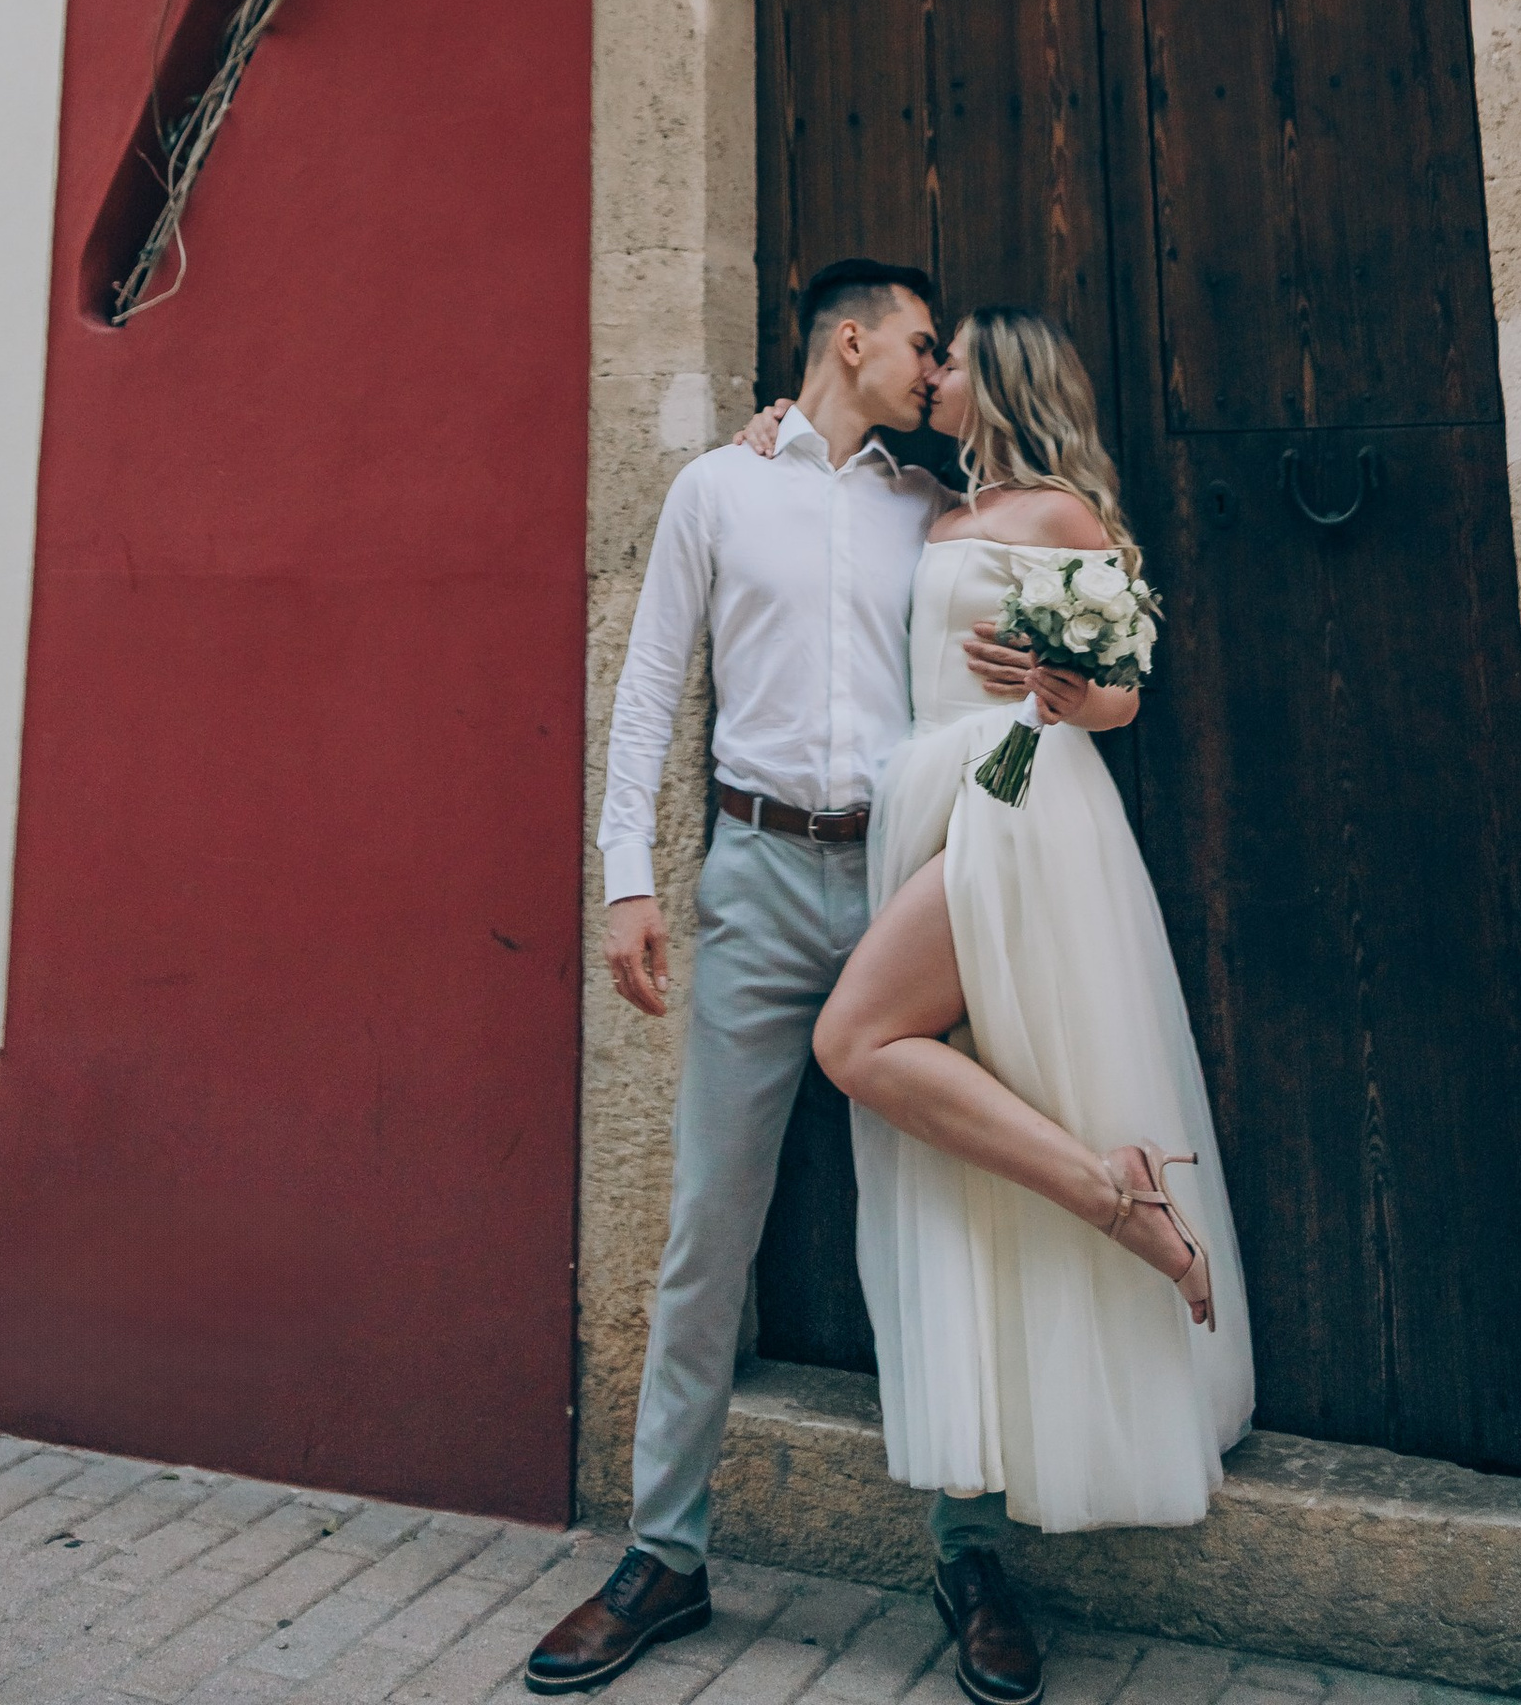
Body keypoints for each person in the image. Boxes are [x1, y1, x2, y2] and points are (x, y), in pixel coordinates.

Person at [528, 261, 1056, 1705]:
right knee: (710, 1223)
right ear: (852, 340)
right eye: (921, 345)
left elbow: (1022, 618)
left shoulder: (933, 507)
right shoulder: (719, 487)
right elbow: (651, 684)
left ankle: (971, 1554)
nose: (934, 371)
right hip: (756, 878)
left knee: (935, 1215)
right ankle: (665, 1555)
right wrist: (626, 876)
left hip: (899, 877)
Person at [815, 307, 1254, 1575]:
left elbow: (1121, 693)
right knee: (959, 1078)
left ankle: (1119, 1201)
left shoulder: (1059, 512)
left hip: (1012, 798)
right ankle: (1098, 1203)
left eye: (949, 356)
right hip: (929, 793)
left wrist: (1067, 690)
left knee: (856, 1039)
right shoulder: (934, 508)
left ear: (998, 377)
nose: (933, 371)